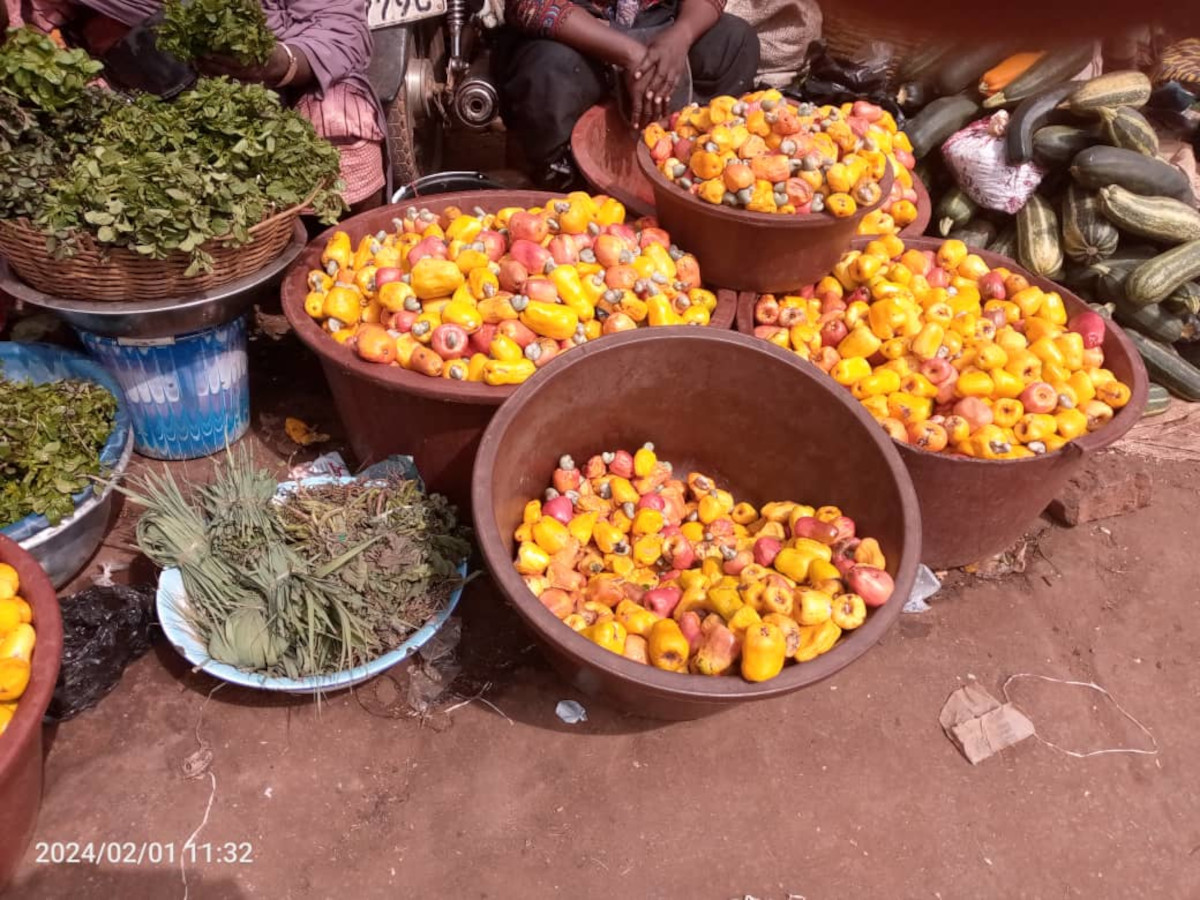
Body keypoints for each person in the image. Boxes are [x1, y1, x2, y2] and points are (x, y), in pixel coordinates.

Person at [2, 0, 387, 211]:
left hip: (272, 81)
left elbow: (342, 30)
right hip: (126, 79)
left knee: (340, 115)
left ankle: (333, 269)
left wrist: (278, 62)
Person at [499, 0, 760, 190]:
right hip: (578, 32)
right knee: (548, 72)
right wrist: (631, 55)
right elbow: (527, 5)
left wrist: (681, 36)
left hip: (660, 23)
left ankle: (692, 159)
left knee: (734, 41)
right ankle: (568, 180)